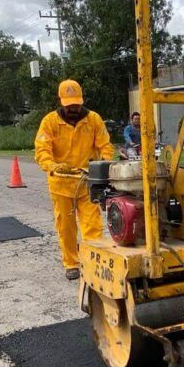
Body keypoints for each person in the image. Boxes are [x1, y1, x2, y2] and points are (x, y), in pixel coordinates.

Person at [34, 79, 114, 280]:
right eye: (69, 105)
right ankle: (71, 263)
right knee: (66, 227)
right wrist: (52, 166)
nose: (73, 108)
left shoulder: (93, 119)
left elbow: (105, 145)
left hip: (87, 181)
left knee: (92, 225)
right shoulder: (50, 122)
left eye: (76, 104)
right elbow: (42, 149)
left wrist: (103, 164)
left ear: (81, 100)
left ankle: (94, 261)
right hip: (61, 183)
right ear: (61, 101)